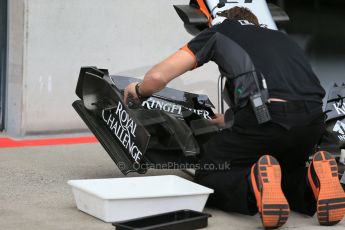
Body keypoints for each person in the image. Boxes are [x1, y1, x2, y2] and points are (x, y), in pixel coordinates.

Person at [124, 7, 345, 229]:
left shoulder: (219, 30)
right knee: (284, 171)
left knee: (210, 172)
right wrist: (228, 119)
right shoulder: (280, 38)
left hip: (268, 120)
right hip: (311, 122)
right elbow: (285, 92)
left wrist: (140, 90)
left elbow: (157, 76)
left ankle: (253, 184)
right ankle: (312, 181)